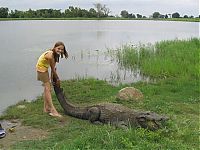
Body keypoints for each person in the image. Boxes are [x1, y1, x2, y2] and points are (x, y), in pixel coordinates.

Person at [36, 41, 68, 117]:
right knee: (48, 89)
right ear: (54, 47)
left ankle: (46, 108)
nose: (60, 51)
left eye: (62, 49)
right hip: (41, 70)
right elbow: (53, 69)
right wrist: (57, 79)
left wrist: (52, 79)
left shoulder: (55, 55)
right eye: (58, 48)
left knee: (47, 88)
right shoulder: (50, 55)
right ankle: (52, 110)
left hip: (45, 68)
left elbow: (53, 69)